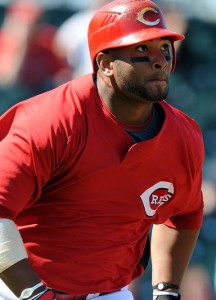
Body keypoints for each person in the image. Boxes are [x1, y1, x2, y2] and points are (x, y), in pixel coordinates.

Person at [0, 0, 204, 300]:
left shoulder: (183, 135)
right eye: (141, 51)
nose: (159, 60)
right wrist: (34, 294)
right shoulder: (51, 120)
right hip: (16, 288)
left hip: (109, 292)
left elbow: (184, 214)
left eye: (164, 47)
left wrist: (167, 290)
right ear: (105, 64)